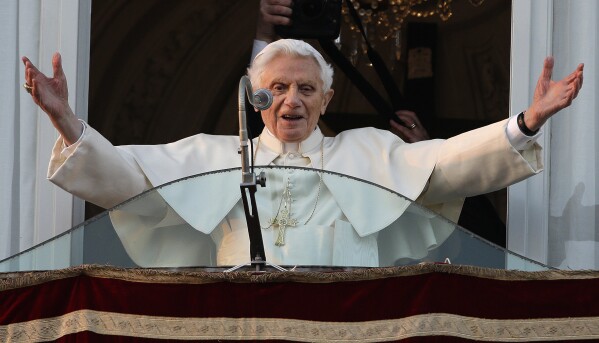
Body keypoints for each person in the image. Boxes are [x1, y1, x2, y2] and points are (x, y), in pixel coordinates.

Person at [22, 35, 582, 267]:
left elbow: (445, 165)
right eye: (279, 88)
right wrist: (68, 121)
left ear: (327, 98)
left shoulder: (366, 152)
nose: (293, 100)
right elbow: (131, 178)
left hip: (351, 325)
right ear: (255, 96)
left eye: (307, 88)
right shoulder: (215, 155)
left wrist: (527, 122)